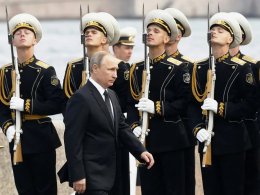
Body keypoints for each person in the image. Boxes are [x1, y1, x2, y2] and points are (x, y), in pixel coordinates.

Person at [63, 51, 154, 195]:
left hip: (115, 173)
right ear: (94, 69)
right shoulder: (80, 98)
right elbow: (72, 140)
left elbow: (121, 127)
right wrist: (78, 175)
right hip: (92, 175)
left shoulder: (111, 95)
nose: (115, 75)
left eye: (116, 70)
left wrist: (140, 150)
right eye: (110, 69)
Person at [190, 12, 255, 195]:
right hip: (207, 142)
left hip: (233, 142)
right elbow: (192, 104)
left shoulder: (242, 68)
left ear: (230, 39)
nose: (214, 33)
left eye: (220, 30)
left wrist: (220, 108)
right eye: (212, 30)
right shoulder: (199, 67)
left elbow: (250, 105)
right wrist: (197, 129)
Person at [0, 13, 64, 194]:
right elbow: (1, 108)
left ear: (35, 39)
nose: (22, 34)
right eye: (18, 32)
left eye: (27, 32)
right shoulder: (5, 72)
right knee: (24, 189)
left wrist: (26, 105)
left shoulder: (45, 71)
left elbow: (56, 104)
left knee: (45, 189)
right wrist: (7, 127)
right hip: (17, 141)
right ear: (12, 41)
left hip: (41, 139)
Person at [128, 9, 190, 195]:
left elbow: (185, 103)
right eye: (149, 30)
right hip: (147, 143)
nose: (151, 34)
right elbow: (131, 103)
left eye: (156, 31)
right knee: (150, 190)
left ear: (166, 38)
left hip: (172, 140)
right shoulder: (136, 68)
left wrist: (157, 107)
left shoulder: (179, 68)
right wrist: (133, 125)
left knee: (174, 189)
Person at [63, 12, 129, 113]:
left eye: (94, 32)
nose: (89, 34)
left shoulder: (119, 66)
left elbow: (123, 101)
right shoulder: (74, 66)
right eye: (87, 32)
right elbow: (67, 100)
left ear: (104, 40)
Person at [164, 8, 196, 195]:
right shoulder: (147, 65)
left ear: (179, 34)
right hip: (155, 135)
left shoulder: (187, 65)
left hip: (180, 135)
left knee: (182, 186)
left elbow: (187, 102)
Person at [229, 12, 260, 195]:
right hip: (222, 134)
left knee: (251, 180)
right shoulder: (208, 67)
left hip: (249, 131)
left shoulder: (253, 65)